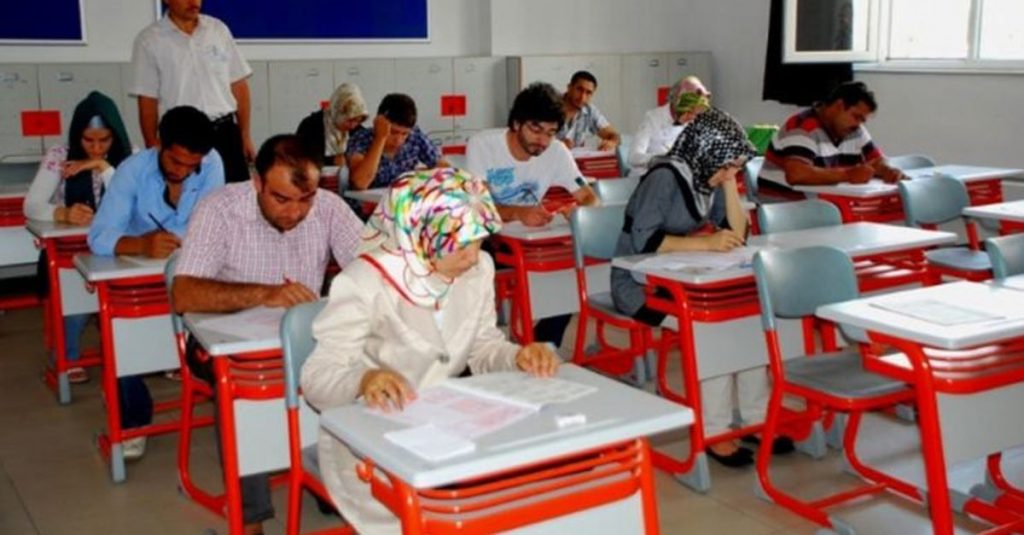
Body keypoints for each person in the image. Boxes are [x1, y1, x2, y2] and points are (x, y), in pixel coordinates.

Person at [300, 168, 561, 534]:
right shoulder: (364, 280)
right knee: (446, 514)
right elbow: (317, 377)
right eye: (461, 245)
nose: (473, 258)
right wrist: (364, 380)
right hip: (371, 438)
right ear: (420, 234)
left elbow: (484, 347)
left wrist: (516, 356)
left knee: (520, 490)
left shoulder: (477, 270)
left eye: (479, 242)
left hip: (449, 423)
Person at [172, 134, 362, 535]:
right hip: (225, 345)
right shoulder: (220, 209)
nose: (295, 212)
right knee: (240, 386)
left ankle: (328, 472)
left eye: (305, 199)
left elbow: (371, 269)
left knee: (362, 362)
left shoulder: (328, 207)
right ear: (257, 181)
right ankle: (252, 516)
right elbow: (184, 293)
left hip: (301, 341)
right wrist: (264, 294)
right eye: (281, 199)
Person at [611, 107, 792, 468]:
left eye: (736, 167)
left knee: (748, 321)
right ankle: (714, 431)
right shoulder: (664, 177)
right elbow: (645, 241)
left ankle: (757, 419)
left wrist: (729, 182)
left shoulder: (710, 175)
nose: (729, 173)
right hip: (639, 283)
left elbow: (738, 234)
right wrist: (705, 243)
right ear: (705, 151)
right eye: (728, 167)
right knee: (711, 329)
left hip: (684, 276)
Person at [88, 105, 224, 461]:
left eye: (191, 165)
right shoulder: (132, 171)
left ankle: (226, 405)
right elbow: (99, 236)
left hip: (190, 273)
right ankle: (132, 418)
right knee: (120, 339)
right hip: (136, 279)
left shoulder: (211, 164)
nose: (183, 171)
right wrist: (139, 244)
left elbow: (215, 223)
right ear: (159, 144)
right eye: (176, 161)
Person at [465, 82, 598, 350]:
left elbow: (589, 197)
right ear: (516, 123)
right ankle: (475, 346)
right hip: (489, 238)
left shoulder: (557, 152)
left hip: (532, 240)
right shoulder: (483, 145)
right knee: (474, 267)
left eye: (551, 133)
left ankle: (544, 344)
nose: (543, 141)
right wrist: (518, 212)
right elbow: (479, 208)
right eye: (536, 130)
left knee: (570, 270)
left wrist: (580, 211)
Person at [24, 91, 133, 384]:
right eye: (88, 140)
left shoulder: (129, 156)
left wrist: (103, 167)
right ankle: (68, 354)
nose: (96, 148)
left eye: (104, 140)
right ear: (77, 135)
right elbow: (31, 205)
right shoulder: (60, 155)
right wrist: (61, 213)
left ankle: (132, 353)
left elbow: (131, 202)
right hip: (71, 251)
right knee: (76, 297)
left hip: (117, 248)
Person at [130, 0, 254, 183]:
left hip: (225, 133)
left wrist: (245, 136)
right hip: (182, 141)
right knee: (190, 196)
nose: (193, 2)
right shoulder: (149, 40)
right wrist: (151, 144)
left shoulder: (217, 30)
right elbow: (147, 99)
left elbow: (238, 85)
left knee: (236, 195)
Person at [757, 81, 906, 198]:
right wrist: (848, 175)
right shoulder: (802, 127)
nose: (859, 124)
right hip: (783, 206)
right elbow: (797, 174)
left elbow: (876, 161)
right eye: (856, 117)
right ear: (838, 106)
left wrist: (887, 170)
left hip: (823, 204)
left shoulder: (854, 130)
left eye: (862, 120)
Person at [345, 93, 445, 193]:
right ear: (379, 123)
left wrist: (422, 177)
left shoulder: (415, 136)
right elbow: (360, 183)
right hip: (367, 202)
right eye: (393, 132)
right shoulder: (361, 139)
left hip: (402, 199)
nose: (398, 140)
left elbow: (444, 169)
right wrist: (380, 138)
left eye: (404, 134)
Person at [626, 76, 710, 178]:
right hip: (647, 176)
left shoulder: (694, 122)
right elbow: (633, 157)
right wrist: (660, 159)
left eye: (695, 113)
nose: (692, 118)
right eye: (689, 112)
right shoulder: (653, 118)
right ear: (675, 102)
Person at [295, 82, 369, 168]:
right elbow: (298, 159)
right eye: (349, 120)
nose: (353, 126)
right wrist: (330, 160)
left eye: (358, 121)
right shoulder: (310, 126)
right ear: (338, 112)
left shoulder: (359, 132)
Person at [558, 70, 620, 151]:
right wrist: (557, 145)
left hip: (575, 158)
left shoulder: (589, 110)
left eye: (588, 93)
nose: (582, 97)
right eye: (579, 89)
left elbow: (613, 135)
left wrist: (612, 142)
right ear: (569, 87)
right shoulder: (550, 104)